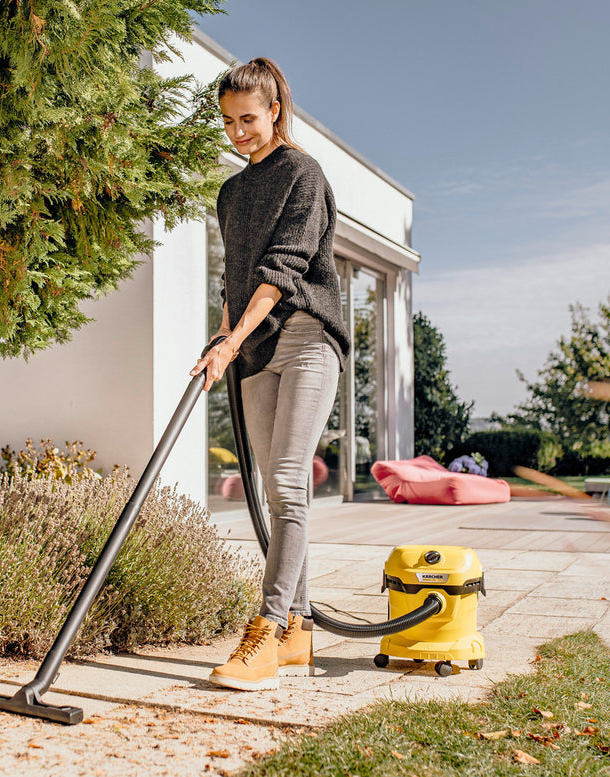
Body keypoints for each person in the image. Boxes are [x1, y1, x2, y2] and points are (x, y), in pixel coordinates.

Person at [191, 57, 350, 691]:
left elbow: (282, 271)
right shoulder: (231, 191)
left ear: (276, 109)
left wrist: (233, 340)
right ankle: (299, 637)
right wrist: (226, 338)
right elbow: (236, 276)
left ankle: (266, 629)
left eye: (249, 119)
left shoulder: (303, 175)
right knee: (275, 492)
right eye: (228, 122)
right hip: (255, 347)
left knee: (287, 485)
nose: (238, 132)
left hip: (307, 340)